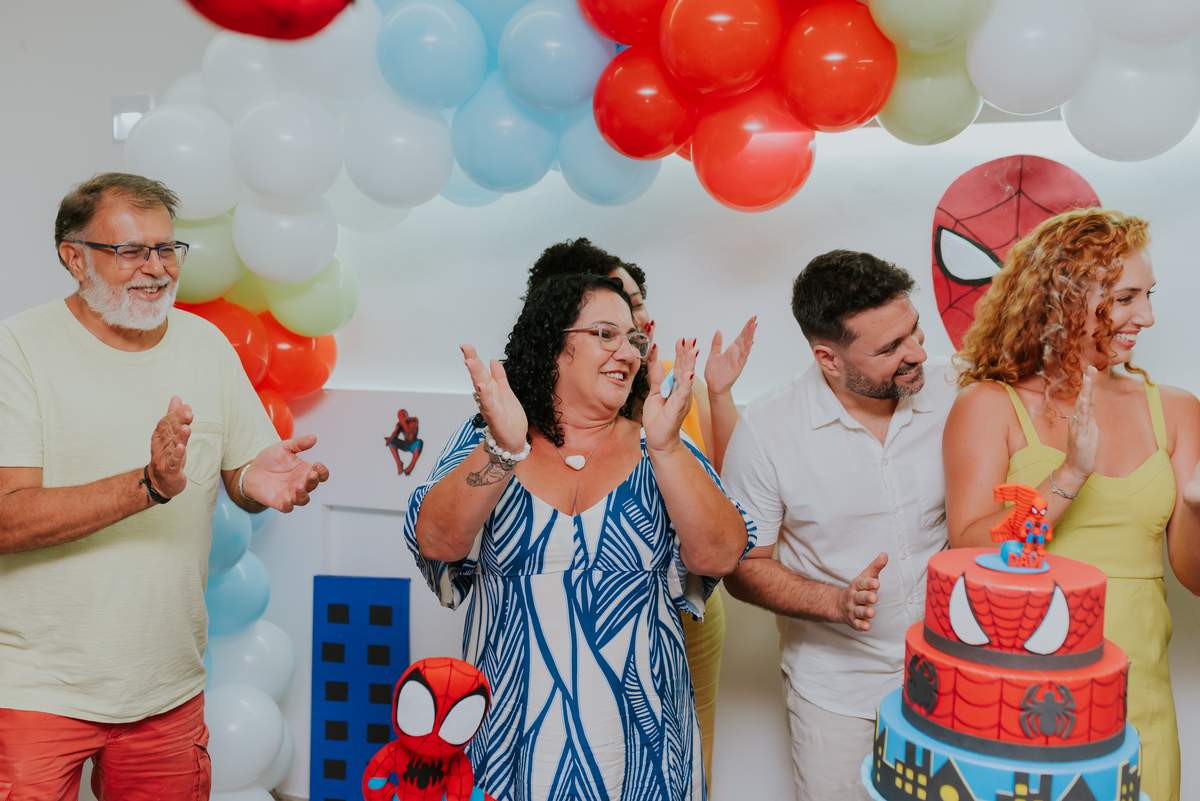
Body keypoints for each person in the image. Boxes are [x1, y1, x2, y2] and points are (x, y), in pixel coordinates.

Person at [0, 173, 329, 800]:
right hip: (36, 690)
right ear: (74, 257)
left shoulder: (205, 344)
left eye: (166, 250)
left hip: (167, 689)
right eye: (130, 251)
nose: (155, 269)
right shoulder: (17, 350)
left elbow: (243, 471)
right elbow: (5, 519)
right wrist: (145, 486)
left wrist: (258, 482)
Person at [405, 273, 756, 801]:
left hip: (645, 747)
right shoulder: (493, 435)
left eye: (635, 340)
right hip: (508, 737)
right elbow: (437, 541)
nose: (629, 353)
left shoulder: (659, 440)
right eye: (606, 334)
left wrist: (666, 450)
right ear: (555, 347)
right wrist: (503, 449)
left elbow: (722, 553)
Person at [943, 209, 1200, 801]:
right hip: (1029, 703)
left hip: (1141, 703)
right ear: (1066, 298)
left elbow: (1193, 576)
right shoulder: (990, 406)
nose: (1148, 316)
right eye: (1127, 296)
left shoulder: (1177, 409)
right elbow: (971, 547)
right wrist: (1070, 474)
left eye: (1148, 294)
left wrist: (1197, 502)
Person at [720, 250, 958, 801]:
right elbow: (742, 567)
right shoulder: (768, 431)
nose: (918, 353)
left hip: (953, 681)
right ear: (828, 358)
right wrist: (835, 603)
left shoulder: (958, 392)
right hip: (837, 697)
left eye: (915, 331)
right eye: (890, 348)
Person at [524, 238, 756, 790]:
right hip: (583, 631)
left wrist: (718, 395)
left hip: (688, 609)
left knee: (683, 753)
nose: (642, 315)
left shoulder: (675, 377)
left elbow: (723, 488)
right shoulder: (535, 417)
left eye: (640, 300)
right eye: (622, 305)